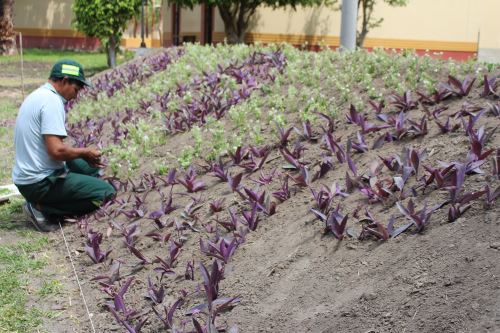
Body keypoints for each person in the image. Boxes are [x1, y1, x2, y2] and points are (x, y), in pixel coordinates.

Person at [12, 59, 116, 232]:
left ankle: (50, 198)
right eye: (76, 89)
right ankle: (40, 208)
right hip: (39, 183)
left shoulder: (38, 95)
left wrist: (82, 157)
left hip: (27, 178)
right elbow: (56, 151)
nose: (76, 95)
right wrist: (84, 152)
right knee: (105, 193)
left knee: (90, 170)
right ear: (64, 80)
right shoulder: (52, 102)